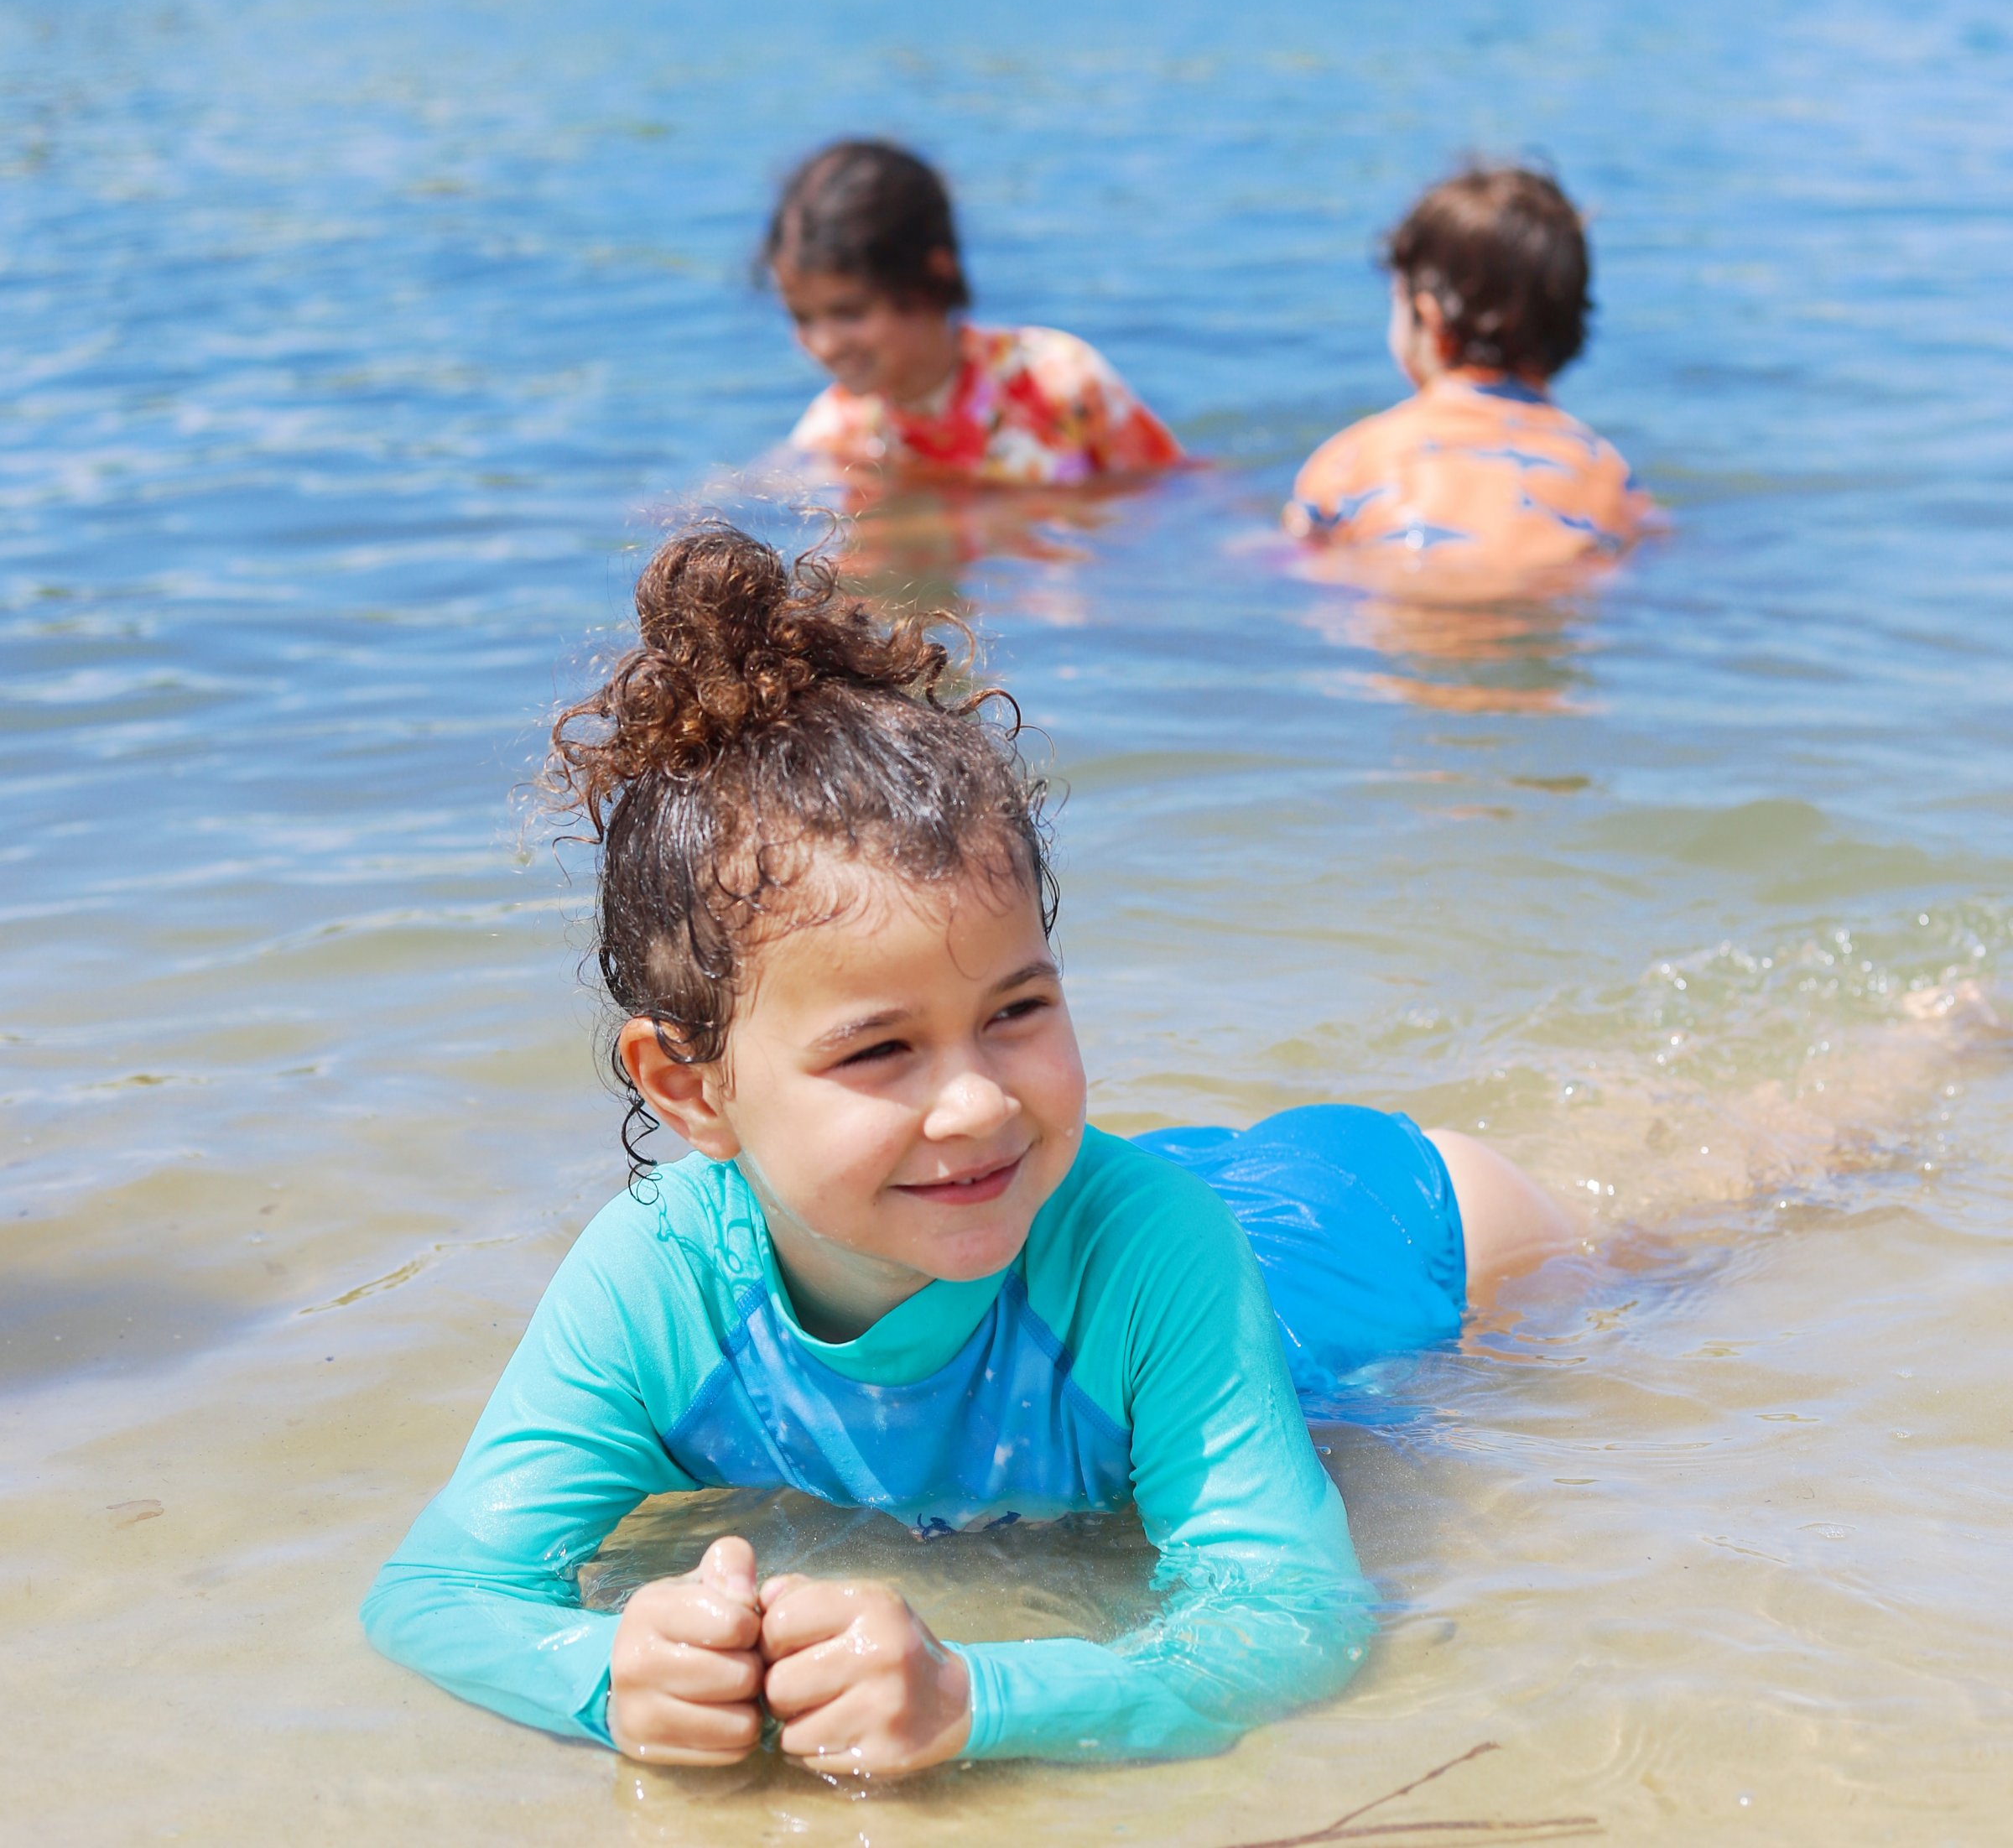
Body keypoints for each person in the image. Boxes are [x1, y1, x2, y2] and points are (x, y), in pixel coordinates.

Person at [362, 523, 1566, 1773]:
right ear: (690, 1089)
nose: (980, 1104)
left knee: (1680, 1259)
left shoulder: (1154, 1259)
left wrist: (969, 1698)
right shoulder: (656, 1287)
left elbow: (1296, 1618)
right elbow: (435, 1591)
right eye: (881, 1049)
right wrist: (610, 1677)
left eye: (1017, 1011)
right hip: (1097, 1201)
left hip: (1393, 1225)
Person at [1284, 161, 1656, 589]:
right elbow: (1649, 545)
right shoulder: (1605, 471)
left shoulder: (1351, 458)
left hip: (1409, 608)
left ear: (1429, 319)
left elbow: (1296, 553)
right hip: (1544, 607)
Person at [763, 139, 1185, 485]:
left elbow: (1172, 496)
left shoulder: (1057, 380)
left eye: (849, 313)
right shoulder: (836, 436)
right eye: (802, 318)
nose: (825, 345)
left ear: (932, 277)